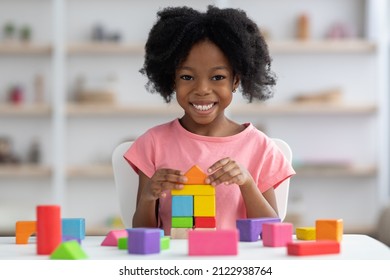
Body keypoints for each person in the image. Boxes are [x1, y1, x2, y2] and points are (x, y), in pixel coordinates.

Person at [124, 5, 295, 235]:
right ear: (172, 80)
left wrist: (246, 183)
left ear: (236, 80)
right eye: (187, 77)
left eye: (218, 77)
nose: (202, 89)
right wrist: (148, 196)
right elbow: (142, 231)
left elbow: (269, 231)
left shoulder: (260, 147)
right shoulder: (153, 143)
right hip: (176, 265)